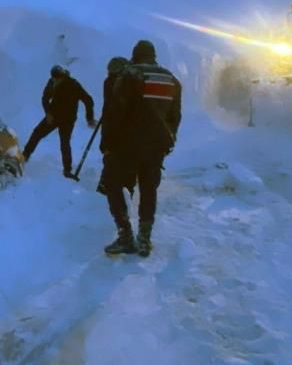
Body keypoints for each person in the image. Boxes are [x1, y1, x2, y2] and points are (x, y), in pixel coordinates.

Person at [102, 40, 182, 257]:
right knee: (148, 189)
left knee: (112, 183)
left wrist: (107, 145)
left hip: (128, 144)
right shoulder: (172, 80)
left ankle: (125, 236)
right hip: (156, 146)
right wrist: (168, 141)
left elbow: (115, 113)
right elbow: (175, 117)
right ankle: (144, 239)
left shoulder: (129, 75)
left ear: (135, 55)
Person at [22, 65, 96, 178]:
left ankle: (67, 170)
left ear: (63, 77)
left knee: (64, 143)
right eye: (53, 78)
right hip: (54, 115)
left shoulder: (73, 84)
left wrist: (89, 118)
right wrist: (48, 113)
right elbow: (45, 98)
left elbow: (88, 100)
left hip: (68, 119)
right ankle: (24, 156)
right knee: (37, 133)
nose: (55, 81)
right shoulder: (52, 82)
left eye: (57, 79)